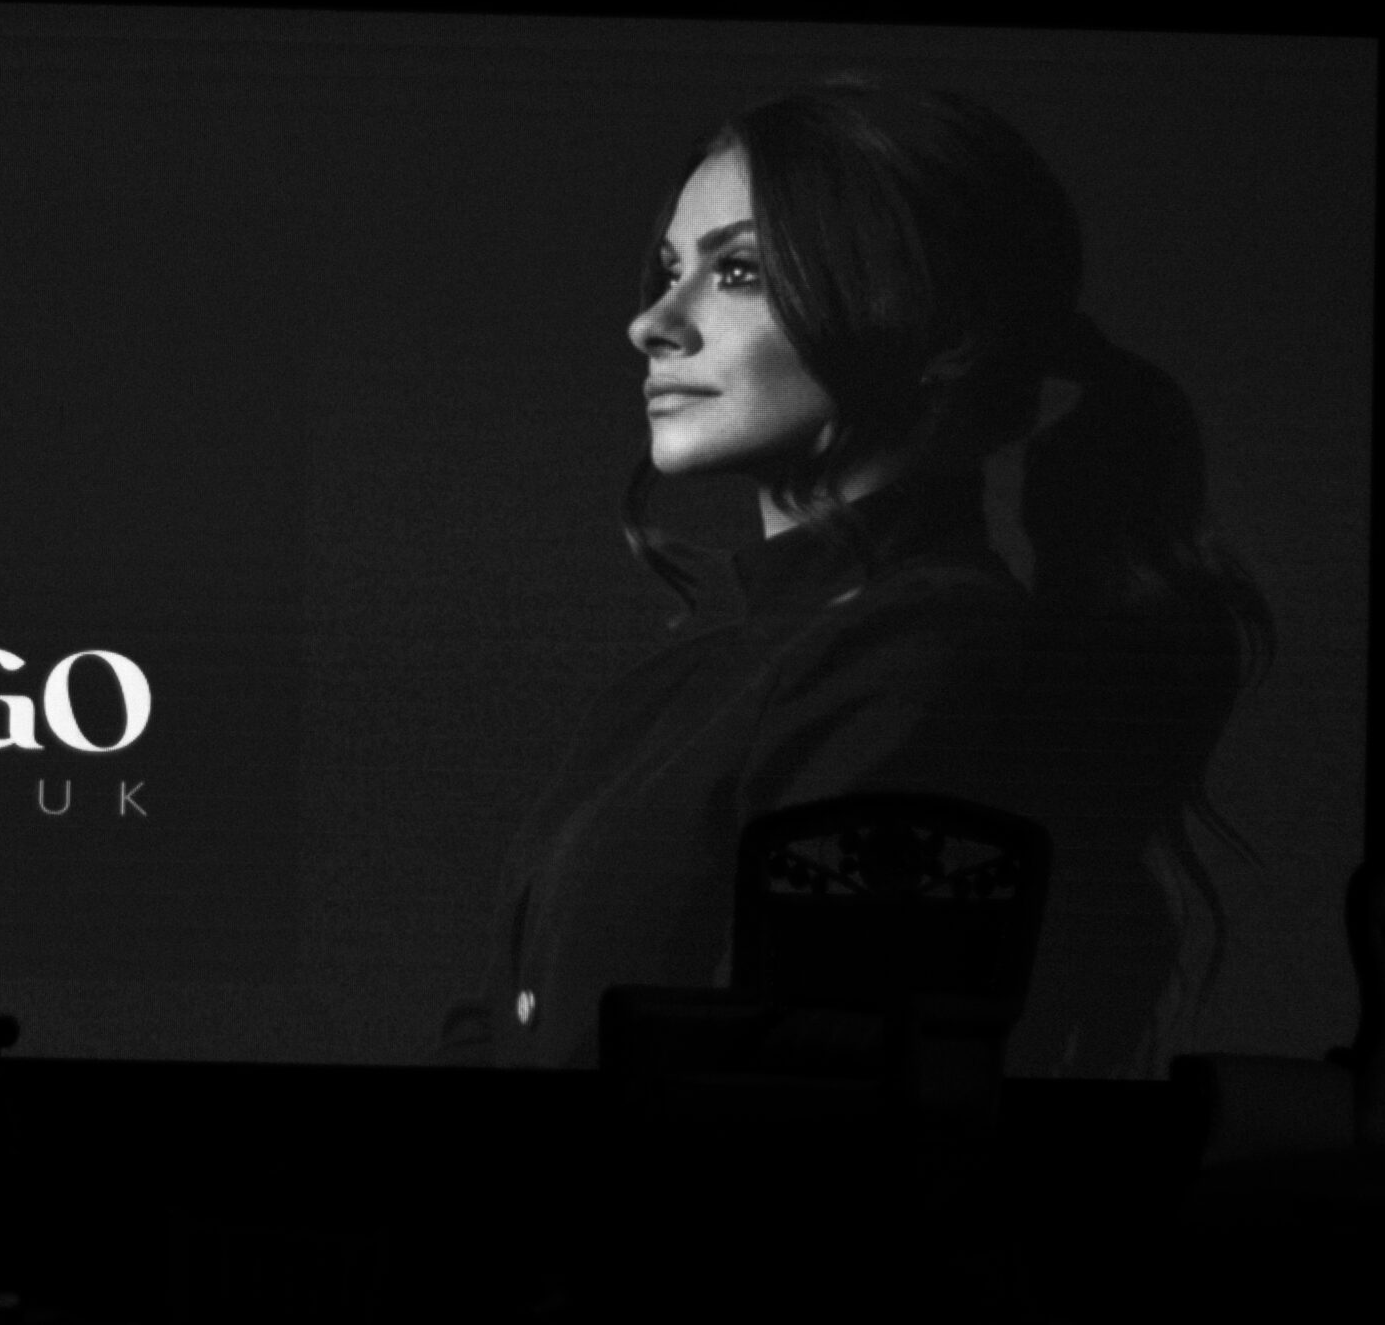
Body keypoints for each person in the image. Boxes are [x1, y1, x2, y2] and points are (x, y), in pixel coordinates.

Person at [436, 76, 1269, 1073]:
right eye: (668, 270)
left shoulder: (931, 663)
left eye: (737, 272)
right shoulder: (696, 671)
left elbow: (801, 1106)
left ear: (942, 325)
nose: (652, 322)